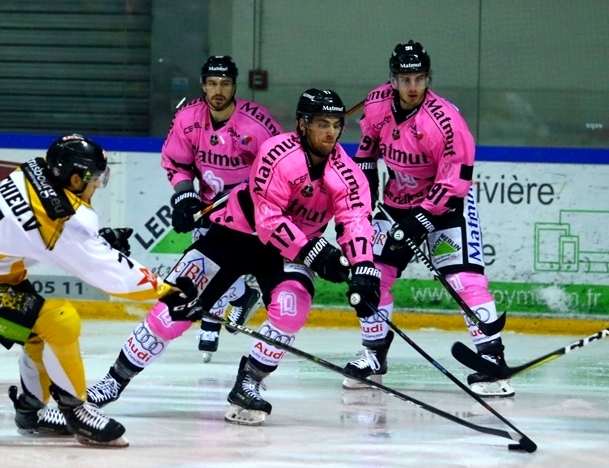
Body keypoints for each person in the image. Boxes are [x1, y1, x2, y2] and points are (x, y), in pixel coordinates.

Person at [86, 88, 381, 426]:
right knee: (173, 310)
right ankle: (113, 380)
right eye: (321, 124)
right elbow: (268, 220)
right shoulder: (276, 153)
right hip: (235, 234)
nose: (330, 133)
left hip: (290, 249)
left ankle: (249, 384)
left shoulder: (347, 171)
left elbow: (355, 220)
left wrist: (363, 268)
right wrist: (315, 252)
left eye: (336, 124)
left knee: (290, 310)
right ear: (302, 124)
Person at [0, 133, 199, 446]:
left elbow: (30, 233)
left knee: (37, 332)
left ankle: (30, 412)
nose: (97, 187)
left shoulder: (31, 171)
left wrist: (94, 242)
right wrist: (166, 291)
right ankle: (76, 411)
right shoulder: (62, 217)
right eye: (95, 180)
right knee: (60, 321)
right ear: (75, 179)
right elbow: (107, 272)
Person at [342, 40, 512, 397]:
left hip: (446, 207)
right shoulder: (376, 105)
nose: (413, 86)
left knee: (464, 280)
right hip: (395, 205)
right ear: (393, 80)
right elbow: (368, 150)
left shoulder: (446, 121)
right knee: (371, 275)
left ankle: (493, 360)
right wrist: (367, 182)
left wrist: (421, 218)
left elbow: (456, 181)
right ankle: (374, 355)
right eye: (405, 79)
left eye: (419, 78)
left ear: (428, 78)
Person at [164, 55, 284, 362]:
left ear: (234, 86)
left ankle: (234, 303)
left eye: (225, 84)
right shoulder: (188, 119)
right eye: (213, 83)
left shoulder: (256, 124)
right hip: (208, 204)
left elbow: (281, 164)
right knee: (202, 269)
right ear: (203, 85)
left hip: (247, 212)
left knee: (224, 265)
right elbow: (178, 163)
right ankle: (244, 296)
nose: (219, 90)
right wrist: (183, 196)